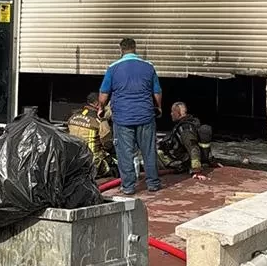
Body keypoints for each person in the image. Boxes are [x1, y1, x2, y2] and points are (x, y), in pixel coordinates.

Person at [98, 38, 163, 195]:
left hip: (123, 118)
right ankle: (153, 183)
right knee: (148, 151)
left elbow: (103, 94)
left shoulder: (113, 68)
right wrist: (158, 107)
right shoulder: (149, 67)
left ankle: (128, 186)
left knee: (125, 152)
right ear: (135, 49)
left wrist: (101, 108)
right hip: (146, 116)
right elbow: (157, 91)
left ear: (121, 50)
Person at [158, 102, 214, 180]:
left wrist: (197, 171)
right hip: (181, 158)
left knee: (155, 153)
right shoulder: (189, 123)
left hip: (177, 161)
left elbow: (193, 148)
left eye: (172, 111)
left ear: (178, 113)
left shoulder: (185, 129)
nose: (171, 114)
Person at [67, 92, 116, 179]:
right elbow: (108, 145)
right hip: (92, 164)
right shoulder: (99, 121)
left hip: (73, 163)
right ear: (98, 104)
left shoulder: (73, 116)